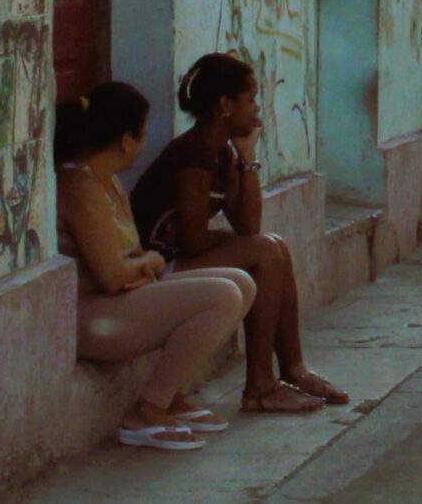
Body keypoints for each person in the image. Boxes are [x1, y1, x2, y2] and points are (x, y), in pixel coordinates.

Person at [131, 53, 346, 414]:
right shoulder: (194, 155)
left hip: (179, 261)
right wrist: (231, 244)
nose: (257, 109)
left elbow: (248, 225)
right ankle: (260, 385)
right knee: (264, 252)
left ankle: (294, 369)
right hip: (153, 270)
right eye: (251, 99)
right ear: (225, 105)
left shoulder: (222, 154)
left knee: (274, 247)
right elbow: (196, 240)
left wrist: (247, 158)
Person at [56, 82, 256, 450]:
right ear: (125, 140)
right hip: (89, 318)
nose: (145, 143)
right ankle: (146, 412)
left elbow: (127, 260)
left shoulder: (108, 182)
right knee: (222, 295)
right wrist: (149, 261)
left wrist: (140, 265)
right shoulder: (79, 185)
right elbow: (114, 276)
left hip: (118, 302)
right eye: (143, 133)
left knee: (241, 283)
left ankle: (173, 396)